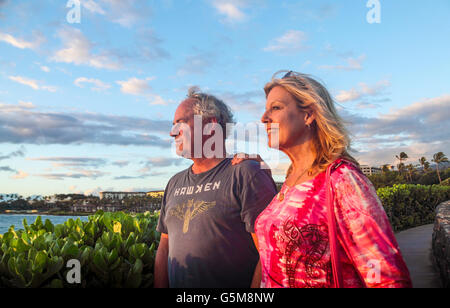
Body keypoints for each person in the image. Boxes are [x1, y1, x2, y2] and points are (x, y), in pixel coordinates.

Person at [253, 71, 412, 288]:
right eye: (266, 109)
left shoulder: (342, 181)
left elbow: (384, 274)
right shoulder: (291, 182)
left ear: (308, 115)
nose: (263, 118)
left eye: (276, 108)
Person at [154, 87, 277, 288]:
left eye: (180, 123)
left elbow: (270, 253)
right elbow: (164, 248)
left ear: (210, 126)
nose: (171, 132)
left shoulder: (246, 173)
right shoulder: (174, 183)